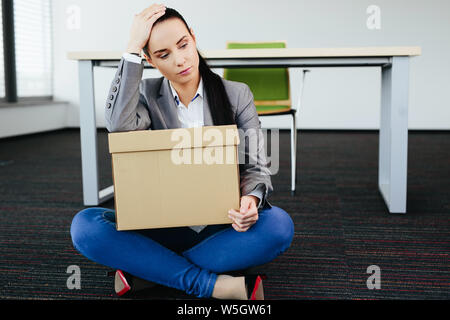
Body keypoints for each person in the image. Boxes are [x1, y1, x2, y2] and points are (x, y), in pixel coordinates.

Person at [70, 4, 294, 300]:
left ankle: (147, 271)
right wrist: (132, 48)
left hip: (221, 223)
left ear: (194, 38)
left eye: (183, 45)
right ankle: (212, 285)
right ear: (149, 59)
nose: (180, 60)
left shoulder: (237, 94)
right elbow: (118, 126)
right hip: (161, 222)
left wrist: (250, 201)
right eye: (163, 55)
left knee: (278, 226)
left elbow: (256, 167)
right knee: (85, 227)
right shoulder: (147, 95)